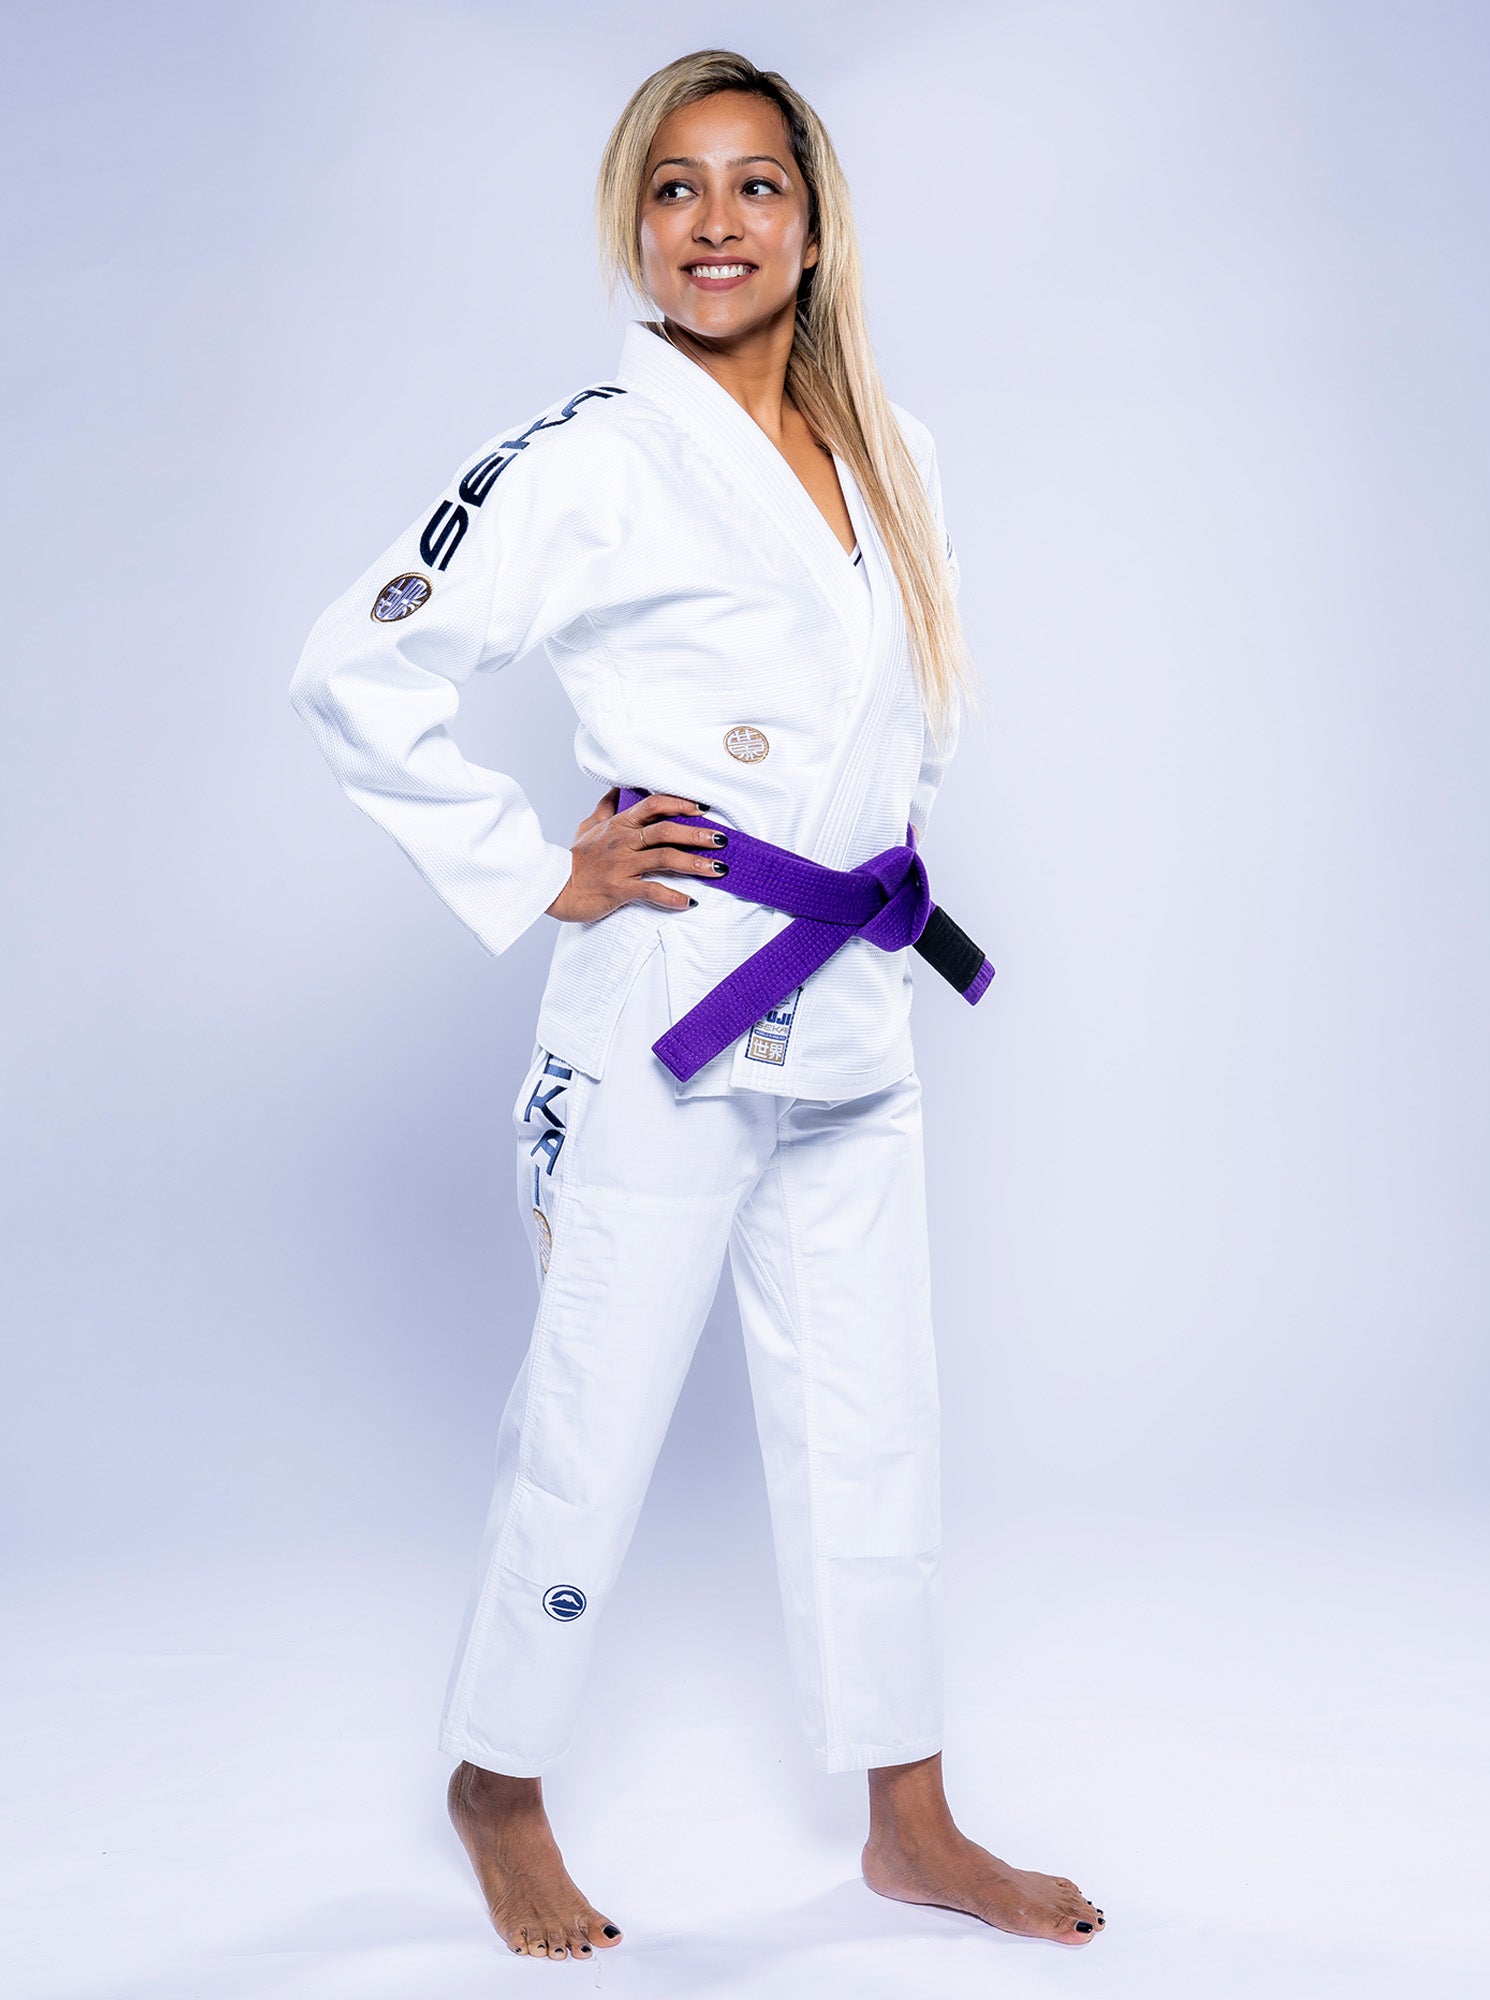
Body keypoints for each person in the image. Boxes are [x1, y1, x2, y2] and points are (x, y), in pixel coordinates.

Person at [290, 47, 1106, 1965]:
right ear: (633, 229)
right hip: (663, 997)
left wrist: (873, 853)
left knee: (876, 1418)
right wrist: (535, 864)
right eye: (675, 189)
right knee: (592, 1416)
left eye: (753, 187)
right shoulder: (588, 458)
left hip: (855, 1004)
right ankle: (496, 1781)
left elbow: (914, 713)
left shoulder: (894, 445)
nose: (715, 222)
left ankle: (908, 1814)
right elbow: (354, 670)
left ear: (814, 227)